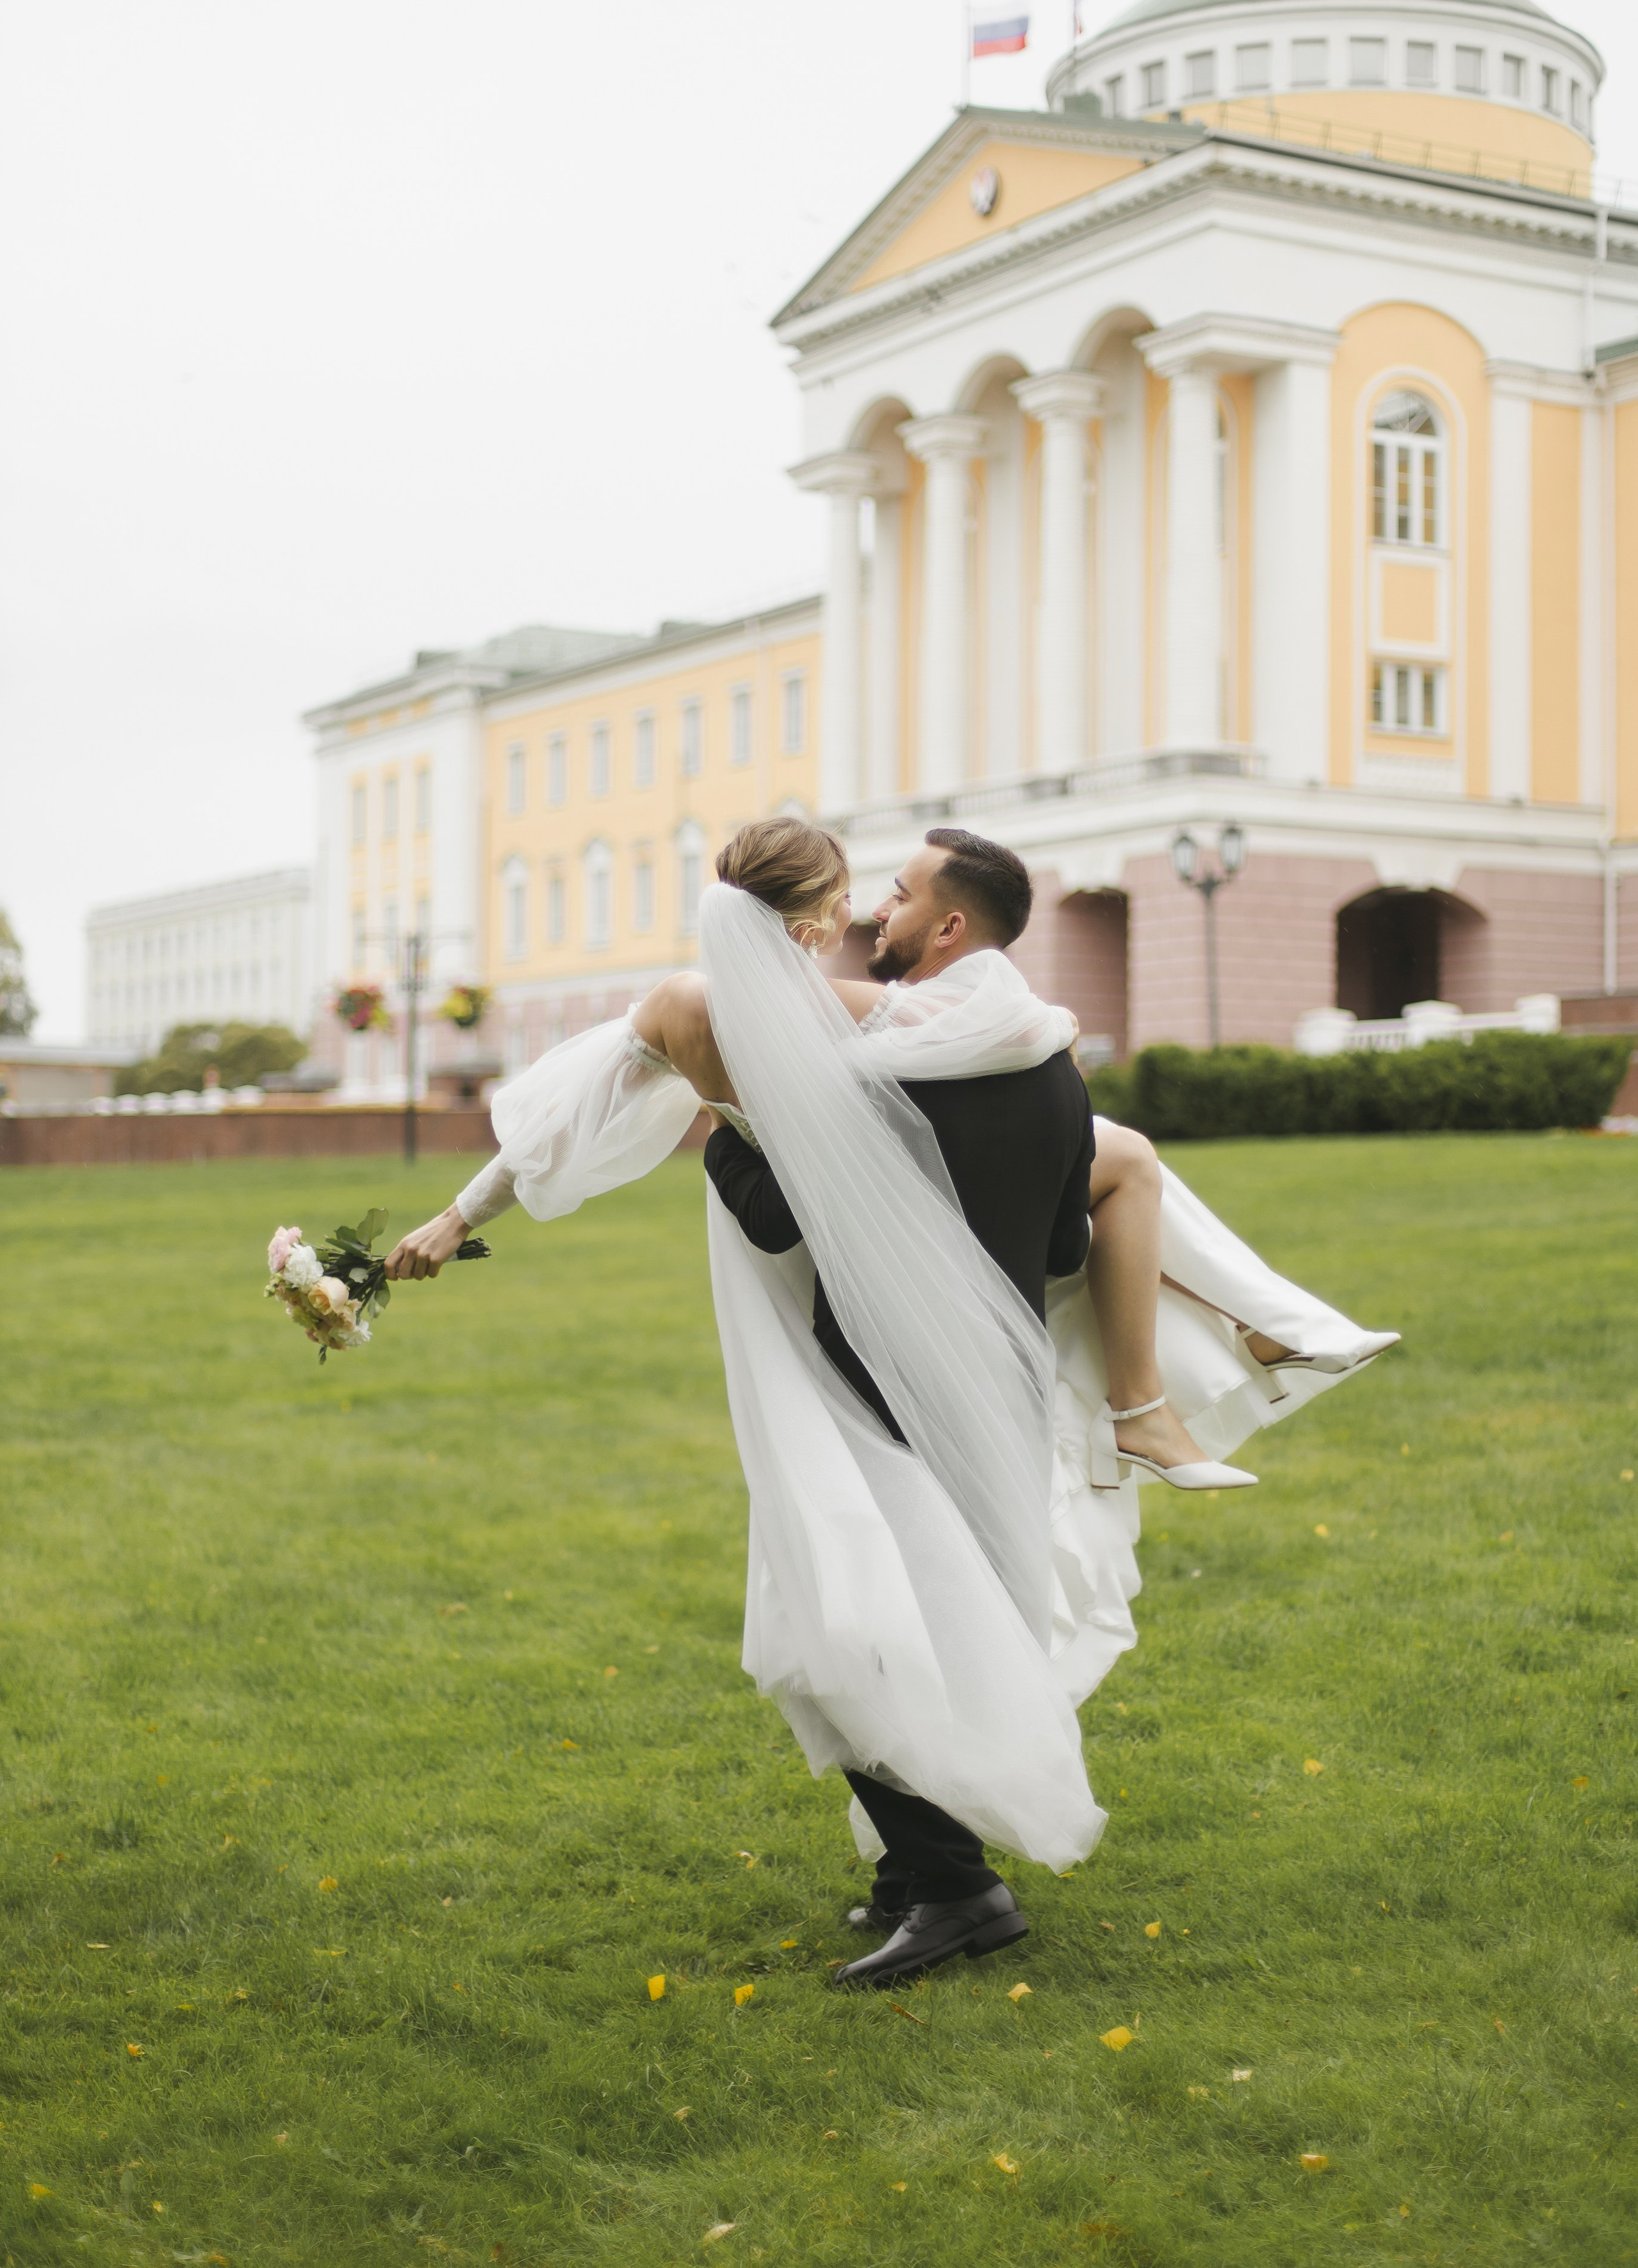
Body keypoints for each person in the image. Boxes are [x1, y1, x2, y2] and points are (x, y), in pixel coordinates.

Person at [384, 819, 1395, 1986]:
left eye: (899, 897)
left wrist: (475, 1212)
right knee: (930, 1616)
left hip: (866, 1378)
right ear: (813, 920)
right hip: (997, 1380)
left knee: (836, 1628)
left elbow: (689, 1172)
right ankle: (912, 1871)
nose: (875, 918)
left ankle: (959, 1890)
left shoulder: (773, 1035)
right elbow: (1088, 1207)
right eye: (866, 899)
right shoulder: (1024, 1044)